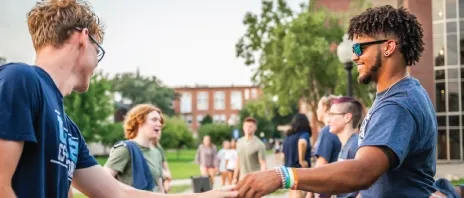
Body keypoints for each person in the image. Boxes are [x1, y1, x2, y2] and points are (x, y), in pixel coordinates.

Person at [0, 1, 236, 197]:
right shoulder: (19, 80)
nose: (97, 62)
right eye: (98, 50)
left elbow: (118, 193)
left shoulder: (69, 129)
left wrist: (209, 195)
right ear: (84, 38)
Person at [234, 5, 438, 198]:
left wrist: (283, 176)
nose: (355, 56)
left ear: (388, 47)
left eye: (359, 48)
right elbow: (386, 182)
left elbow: (363, 172)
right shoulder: (400, 95)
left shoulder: (398, 105)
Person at [104, 104, 165, 193]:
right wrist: (135, 192)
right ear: (139, 121)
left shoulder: (156, 153)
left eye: (160, 121)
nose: (159, 124)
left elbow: (159, 188)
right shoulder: (125, 149)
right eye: (154, 120)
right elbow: (104, 179)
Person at [327, 97, 364, 198]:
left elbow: (369, 184)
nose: (328, 120)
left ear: (347, 117)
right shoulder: (347, 145)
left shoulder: (356, 145)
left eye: (332, 114)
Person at [282, 113, 312, 198]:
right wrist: (302, 160)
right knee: (300, 193)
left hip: (288, 169)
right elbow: (302, 142)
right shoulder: (304, 134)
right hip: (299, 170)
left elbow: (283, 154)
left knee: (292, 193)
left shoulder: (288, 136)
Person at [232, 117, 266, 184]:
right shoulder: (239, 142)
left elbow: (263, 163)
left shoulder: (259, 144)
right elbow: (238, 161)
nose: (248, 128)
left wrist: (263, 179)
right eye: (246, 126)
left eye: (250, 126)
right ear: (243, 127)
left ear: (255, 128)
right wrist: (235, 178)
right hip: (242, 179)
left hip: (255, 179)